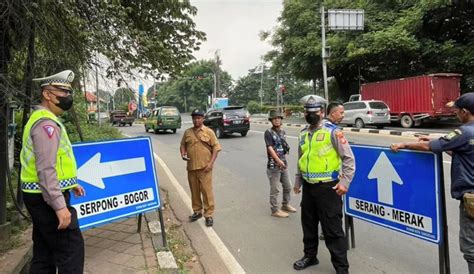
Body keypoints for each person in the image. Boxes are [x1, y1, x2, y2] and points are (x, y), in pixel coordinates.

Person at [391, 92, 474, 273]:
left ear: (466, 112)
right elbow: (463, 150)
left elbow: (429, 147)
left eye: (458, 111)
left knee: (471, 249)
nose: (456, 114)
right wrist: (440, 142)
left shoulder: (464, 131)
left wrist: (404, 145)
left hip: (472, 200)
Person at [20, 70, 85, 273]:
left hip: (39, 195)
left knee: (44, 253)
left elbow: (54, 162)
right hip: (46, 198)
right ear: (48, 94)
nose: (67, 97)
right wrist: (59, 206)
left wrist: (70, 183)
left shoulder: (43, 119)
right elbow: (45, 168)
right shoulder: (46, 124)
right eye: (63, 92)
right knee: (71, 252)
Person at [293, 96, 355, 273]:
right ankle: (310, 256)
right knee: (309, 225)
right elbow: (301, 158)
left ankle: (342, 268)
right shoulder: (303, 133)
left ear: (321, 112)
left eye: (314, 112)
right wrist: (298, 180)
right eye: (308, 112)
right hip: (309, 187)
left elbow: (348, 159)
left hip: (329, 188)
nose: (310, 115)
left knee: (333, 230)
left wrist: (345, 182)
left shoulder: (333, 132)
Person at [180, 108, 221, 227]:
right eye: (194, 118)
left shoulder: (209, 132)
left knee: (207, 192)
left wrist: (210, 164)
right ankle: (197, 211)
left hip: (205, 168)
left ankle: (208, 215)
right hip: (192, 168)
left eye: (199, 118)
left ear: (203, 119)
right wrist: (183, 154)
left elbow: (216, 148)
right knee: (194, 191)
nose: (196, 120)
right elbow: (183, 145)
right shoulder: (187, 132)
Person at [264, 110, 296, 218]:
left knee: (288, 186)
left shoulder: (283, 132)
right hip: (274, 165)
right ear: (271, 120)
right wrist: (278, 161)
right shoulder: (268, 132)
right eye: (274, 118)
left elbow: (283, 148)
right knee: (275, 189)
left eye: (278, 118)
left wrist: (283, 160)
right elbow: (270, 148)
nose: (277, 120)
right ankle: (275, 210)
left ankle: (285, 204)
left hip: (283, 163)